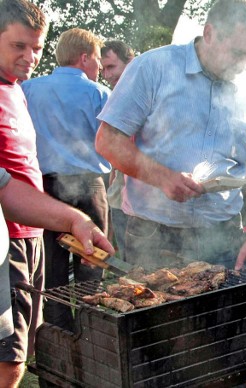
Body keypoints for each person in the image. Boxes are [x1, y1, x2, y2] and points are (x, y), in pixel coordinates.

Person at [95, 0, 246, 271]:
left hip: (223, 236)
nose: (244, 64)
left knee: (221, 314)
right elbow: (108, 140)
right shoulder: (152, 68)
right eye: (238, 53)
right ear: (209, 33)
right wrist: (163, 178)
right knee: (155, 312)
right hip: (154, 233)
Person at [0, 1, 114, 386]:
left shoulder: (21, 89)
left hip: (38, 209)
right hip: (15, 228)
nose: (30, 57)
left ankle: (66, 339)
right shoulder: (96, 92)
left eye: (36, 48)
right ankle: (82, 339)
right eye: (19, 46)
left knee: (38, 309)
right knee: (8, 356)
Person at [21, 27, 111, 331]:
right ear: (84, 58)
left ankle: (59, 338)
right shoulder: (98, 93)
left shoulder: (28, 89)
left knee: (53, 275)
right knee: (92, 269)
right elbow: (113, 142)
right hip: (89, 188)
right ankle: (92, 342)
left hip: (44, 191)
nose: (99, 67)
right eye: (97, 59)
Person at [100, 40, 135, 262]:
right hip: (120, 196)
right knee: (131, 266)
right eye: (103, 68)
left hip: (143, 203)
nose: (105, 74)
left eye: (111, 67)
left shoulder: (143, 95)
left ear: (130, 63)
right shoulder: (114, 97)